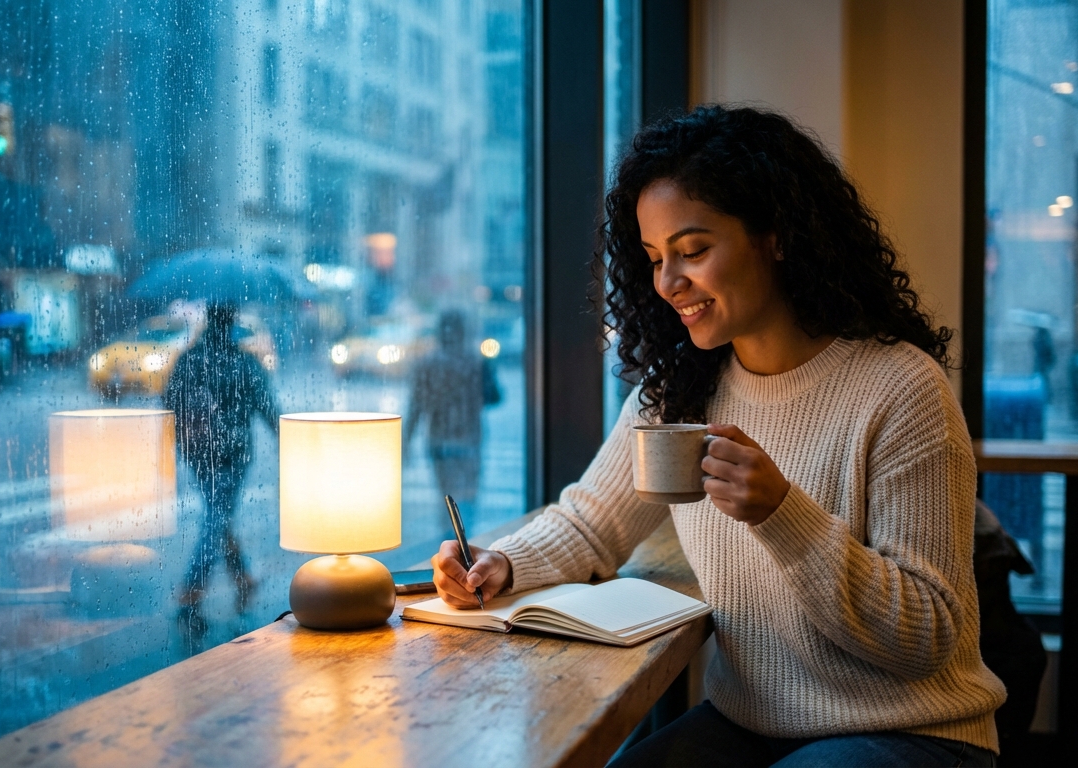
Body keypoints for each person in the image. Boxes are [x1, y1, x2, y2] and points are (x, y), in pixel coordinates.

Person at [430, 106, 1006, 767]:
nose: (669, 283)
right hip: (749, 727)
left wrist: (783, 514)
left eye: (692, 250)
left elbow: (927, 635)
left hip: (911, 731)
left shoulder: (900, 388)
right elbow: (592, 523)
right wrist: (501, 564)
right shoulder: (682, 387)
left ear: (777, 235)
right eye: (653, 258)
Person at [163, 302, 279, 623]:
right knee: (217, 515)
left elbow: (169, 402)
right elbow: (268, 407)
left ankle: (240, 578)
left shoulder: (189, 359)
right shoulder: (244, 362)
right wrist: (290, 441)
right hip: (235, 453)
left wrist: (184, 436)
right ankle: (194, 588)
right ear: (232, 322)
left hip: (196, 450)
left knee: (217, 512)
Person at [404, 310, 500, 517]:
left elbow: (415, 406)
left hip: (439, 440)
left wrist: (406, 442)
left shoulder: (427, 364)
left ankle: (449, 540)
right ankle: (467, 541)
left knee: (445, 500)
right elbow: (494, 397)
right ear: (463, 332)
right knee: (469, 498)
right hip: (469, 440)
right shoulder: (476, 362)